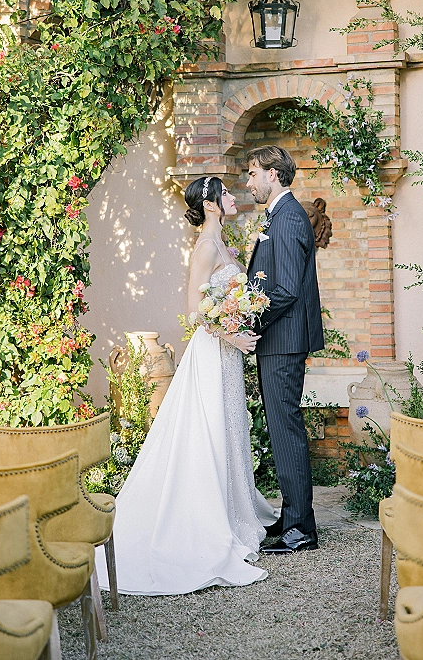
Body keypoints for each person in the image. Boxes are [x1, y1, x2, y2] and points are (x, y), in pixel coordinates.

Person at [95, 176, 278, 595]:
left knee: (230, 430)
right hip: (212, 354)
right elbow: (194, 310)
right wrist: (232, 335)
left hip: (227, 354)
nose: (234, 197)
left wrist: (240, 323)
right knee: (208, 432)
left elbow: (226, 301)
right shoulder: (205, 247)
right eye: (227, 193)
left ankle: (234, 514)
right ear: (211, 205)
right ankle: (204, 524)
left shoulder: (224, 245)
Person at [246, 146, 325, 554]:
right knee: (281, 430)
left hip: (284, 341)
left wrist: (247, 319)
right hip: (277, 341)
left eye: (253, 173)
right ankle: (293, 514)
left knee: (287, 430)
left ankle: (301, 530)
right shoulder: (280, 216)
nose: (249, 181)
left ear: (273, 174)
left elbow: (287, 290)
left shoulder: (290, 217)